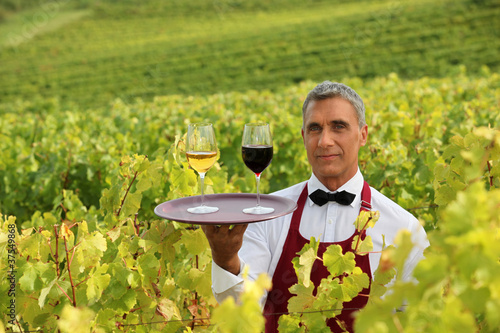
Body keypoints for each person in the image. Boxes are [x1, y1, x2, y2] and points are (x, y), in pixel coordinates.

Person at [201, 81, 429, 332]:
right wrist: (226, 260)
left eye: (338, 127)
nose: (324, 141)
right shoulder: (267, 215)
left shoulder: (404, 228)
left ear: (363, 135)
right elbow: (244, 308)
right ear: (303, 137)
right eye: (315, 128)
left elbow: (417, 321)